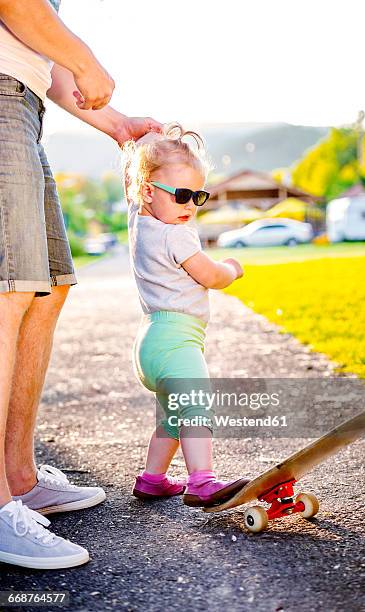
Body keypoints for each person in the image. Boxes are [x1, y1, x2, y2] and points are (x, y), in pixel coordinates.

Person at [0, 0, 162, 570]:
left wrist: (117, 124)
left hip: (22, 101)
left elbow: (43, 52)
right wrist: (88, 59)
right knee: (8, 293)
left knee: (46, 290)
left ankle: (17, 477)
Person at [124, 124, 250, 508]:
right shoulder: (178, 234)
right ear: (148, 191)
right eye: (181, 196)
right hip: (178, 341)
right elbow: (210, 276)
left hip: (151, 342)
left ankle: (153, 479)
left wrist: (137, 148)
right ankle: (202, 481)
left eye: (197, 196)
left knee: (172, 417)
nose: (190, 207)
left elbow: (132, 183)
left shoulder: (139, 223)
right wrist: (231, 267)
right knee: (195, 408)